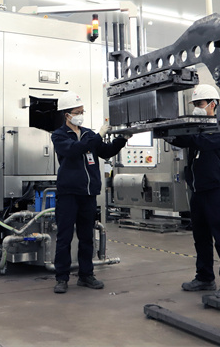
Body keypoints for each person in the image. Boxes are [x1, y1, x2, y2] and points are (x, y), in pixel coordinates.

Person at [51, 91, 129, 294]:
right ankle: (61, 278)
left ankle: (86, 275)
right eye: (77, 112)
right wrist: (98, 135)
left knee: (87, 236)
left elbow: (106, 151)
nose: (80, 115)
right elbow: (73, 150)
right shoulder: (59, 135)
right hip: (68, 194)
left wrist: (122, 139)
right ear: (67, 115)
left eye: (82, 111)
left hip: (88, 194)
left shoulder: (88, 134)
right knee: (64, 237)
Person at [165, 84, 220, 299]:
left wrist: (177, 134)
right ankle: (205, 278)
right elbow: (184, 140)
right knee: (201, 237)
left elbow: (201, 142)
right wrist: (166, 132)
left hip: (216, 192)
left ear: (213, 104)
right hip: (197, 192)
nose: (197, 107)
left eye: (200, 103)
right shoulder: (195, 129)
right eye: (195, 104)